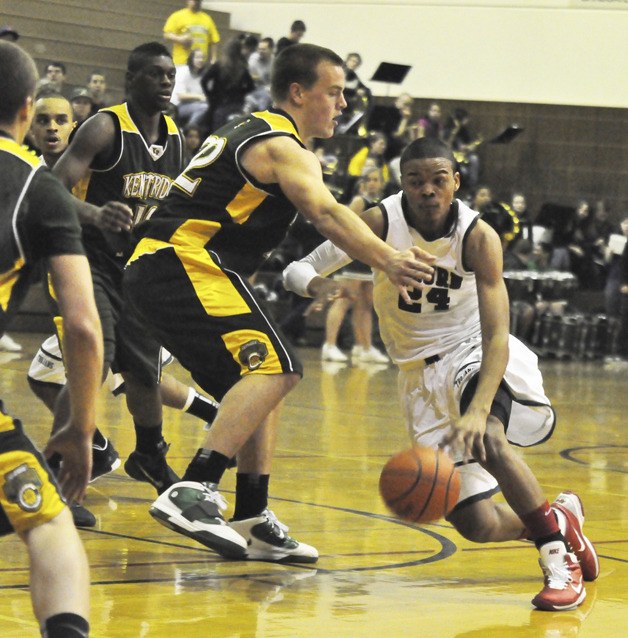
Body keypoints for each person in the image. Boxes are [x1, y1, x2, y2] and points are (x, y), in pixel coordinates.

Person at [123, 43, 432, 563]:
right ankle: (193, 489)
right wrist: (390, 260)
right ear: (297, 93)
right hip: (181, 260)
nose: (340, 104)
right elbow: (327, 213)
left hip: (170, 266)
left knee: (260, 385)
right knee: (278, 368)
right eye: (332, 93)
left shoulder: (251, 131)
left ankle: (251, 514)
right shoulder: (283, 144)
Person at [283, 137, 599, 611]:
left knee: (489, 438)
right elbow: (297, 268)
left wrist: (477, 412)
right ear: (403, 184)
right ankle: (556, 519)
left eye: (437, 179)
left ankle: (558, 560)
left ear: (455, 181)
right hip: (416, 378)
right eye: (416, 181)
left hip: (472, 352)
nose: (427, 190)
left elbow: (496, 336)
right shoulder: (379, 221)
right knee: (477, 524)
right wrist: (322, 285)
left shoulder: (477, 237)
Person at [26, 90, 219, 467]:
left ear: (75, 127)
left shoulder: (94, 158)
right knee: (95, 370)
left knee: (124, 370)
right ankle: (97, 446)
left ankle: (105, 450)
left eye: (60, 120)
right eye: (42, 120)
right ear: (28, 126)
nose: (51, 128)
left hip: (114, 274)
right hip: (79, 275)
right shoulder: (30, 167)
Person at [50, 42, 186, 504]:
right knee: (97, 361)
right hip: (90, 264)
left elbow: (171, 210)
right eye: (154, 74)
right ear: (131, 80)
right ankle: (59, 468)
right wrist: (93, 215)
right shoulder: (105, 127)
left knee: (145, 373)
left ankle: (148, 453)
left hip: (139, 271)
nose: (166, 81)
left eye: (170, 74)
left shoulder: (178, 137)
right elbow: (51, 188)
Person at [0, 40, 102, 637]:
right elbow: (84, 327)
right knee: (49, 523)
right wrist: (78, 427)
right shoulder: (39, 191)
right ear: (27, 109)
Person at [321, 166, 389, 364]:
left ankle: (364, 347)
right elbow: (344, 226)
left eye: (377, 180)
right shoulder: (360, 201)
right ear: (363, 182)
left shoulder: (381, 204)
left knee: (365, 303)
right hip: (353, 257)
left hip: (368, 258)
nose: (373, 183)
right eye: (370, 179)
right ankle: (330, 345)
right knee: (343, 300)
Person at [200, 36, 254, 133]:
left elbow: (204, 81)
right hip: (237, 103)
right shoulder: (242, 67)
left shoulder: (219, 65)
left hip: (218, 102)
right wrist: (241, 93)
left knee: (209, 126)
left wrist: (210, 95)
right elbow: (251, 86)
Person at [163, 0, 220, 70]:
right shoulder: (177, 16)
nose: (195, 2)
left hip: (200, 64)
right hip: (181, 63)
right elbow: (166, 35)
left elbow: (214, 40)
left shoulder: (207, 19)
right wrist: (180, 39)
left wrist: (214, 59)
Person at [444, 107, 482, 190]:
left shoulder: (464, 130)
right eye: (465, 118)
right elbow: (446, 145)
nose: (467, 121)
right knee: (462, 171)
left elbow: (467, 143)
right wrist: (455, 131)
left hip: (463, 155)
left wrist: (469, 148)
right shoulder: (447, 130)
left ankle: (472, 187)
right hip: (451, 155)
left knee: (474, 159)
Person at [171, 48, 209, 127]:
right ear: (191, 59)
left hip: (196, 103)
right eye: (198, 57)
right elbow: (181, 96)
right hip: (178, 106)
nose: (200, 60)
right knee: (204, 107)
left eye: (202, 58)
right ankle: (189, 130)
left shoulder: (202, 74)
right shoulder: (183, 71)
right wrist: (200, 97)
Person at [245, 36, 274, 113]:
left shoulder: (274, 61)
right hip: (253, 89)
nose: (260, 51)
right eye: (259, 49)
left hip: (268, 90)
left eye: (263, 49)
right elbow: (249, 77)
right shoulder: (253, 59)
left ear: (271, 50)